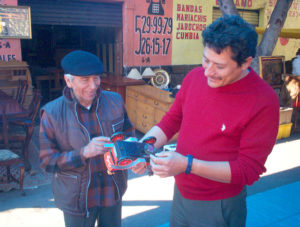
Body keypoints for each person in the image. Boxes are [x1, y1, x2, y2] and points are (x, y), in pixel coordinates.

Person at [132, 15, 279, 227]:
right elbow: (171, 121)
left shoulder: (262, 100)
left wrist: (187, 164)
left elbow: (248, 170)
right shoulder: (194, 77)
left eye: (219, 66)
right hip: (182, 193)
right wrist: (142, 150)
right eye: (206, 59)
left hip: (219, 202)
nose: (208, 72)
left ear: (246, 62)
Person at [39, 50, 134, 227]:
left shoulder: (115, 101)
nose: (93, 85)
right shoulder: (51, 113)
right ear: (69, 81)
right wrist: (83, 152)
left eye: (96, 78)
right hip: (77, 198)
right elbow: (47, 162)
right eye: (85, 80)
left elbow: (129, 137)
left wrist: (132, 157)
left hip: (112, 189)